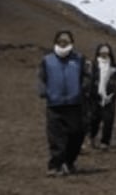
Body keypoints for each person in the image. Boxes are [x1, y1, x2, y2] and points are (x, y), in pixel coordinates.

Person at [37, 30, 89, 176]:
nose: (63, 42)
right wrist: (44, 91)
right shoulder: (47, 60)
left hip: (75, 103)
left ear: (71, 42)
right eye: (60, 40)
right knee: (56, 137)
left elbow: (87, 76)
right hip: (55, 104)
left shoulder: (79, 59)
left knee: (76, 135)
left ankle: (69, 162)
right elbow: (41, 77)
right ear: (56, 41)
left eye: (66, 40)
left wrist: (83, 88)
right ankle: (55, 165)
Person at [87, 43, 116, 151]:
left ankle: (105, 142)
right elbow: (88, 79)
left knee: (109, 120)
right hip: (95, 96)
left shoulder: (114, 66)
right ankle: (92, 137)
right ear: (98, 52)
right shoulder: (93, 65)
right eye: (102, 51)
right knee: (94, 119)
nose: (104, 53)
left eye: (106, 51)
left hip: (110, 96)